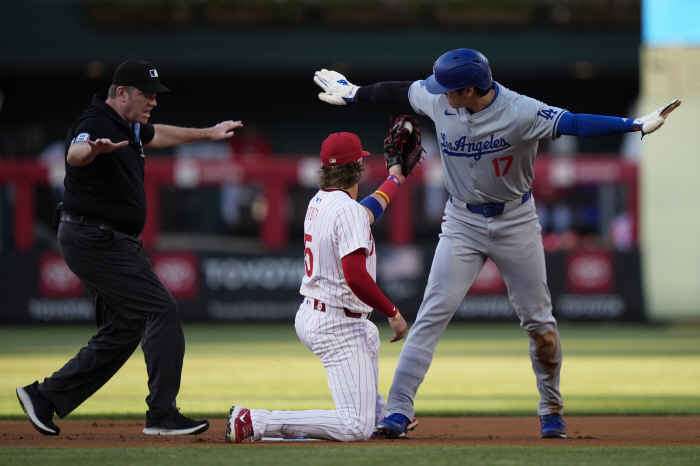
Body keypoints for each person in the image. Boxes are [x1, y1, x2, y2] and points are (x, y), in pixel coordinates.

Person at [314, 48, 680, 439]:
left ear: (470, 89)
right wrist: (354, 93)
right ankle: (399, 409)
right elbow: (400, 91)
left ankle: (551, 406)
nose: (438, 93)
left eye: (449, 88)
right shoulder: (441, 98)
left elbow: (573, 123)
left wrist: (634, 124)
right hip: (461, 220)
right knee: (432, 313)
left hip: (515, 221)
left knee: (540, 325)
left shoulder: (520, 111)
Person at [16, 59, 243, 436]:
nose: (153, 101)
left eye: (155, 95)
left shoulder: (128, 126)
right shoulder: (96, 122)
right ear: (121, 93)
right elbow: (75, 153)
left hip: (102, 238)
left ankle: (45, 397)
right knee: (162, 310)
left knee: (122, 330)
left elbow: (160, 135)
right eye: (146, 95)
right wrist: (91, 150)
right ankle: (162, 414)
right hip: (96, 238)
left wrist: (208, 133)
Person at [226, 131, 412, 443]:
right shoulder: (348, 210)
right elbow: (355, 276)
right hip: (336, 322)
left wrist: (396, 177)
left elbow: (368, 212)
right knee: (355, 428)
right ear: (357, 168)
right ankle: (256, 421)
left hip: (316, 311)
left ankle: (379, 414)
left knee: (367, 335)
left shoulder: (320, 201)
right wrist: (393, 312)